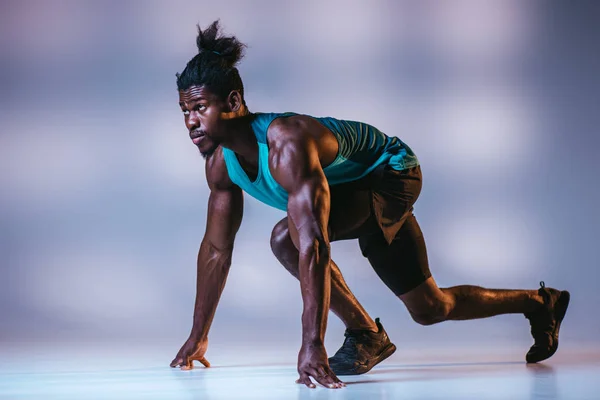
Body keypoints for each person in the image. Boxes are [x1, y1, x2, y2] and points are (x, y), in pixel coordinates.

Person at [169, 21, 570, 389]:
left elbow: (314, 244)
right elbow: (216, 251)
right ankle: (540, 302)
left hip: (392, 173)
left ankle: (364, 334)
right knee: (430, 307)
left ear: (234, 101)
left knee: (285, 238)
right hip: (354, 189)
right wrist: (198, 335)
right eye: (185, 111)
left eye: (200, 108)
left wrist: (312, 344)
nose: (190, 122)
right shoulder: (220, 165)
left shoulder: (285, 143)